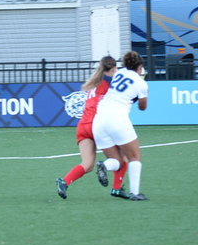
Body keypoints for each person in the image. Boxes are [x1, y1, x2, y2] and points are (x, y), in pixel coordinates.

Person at [56, 55, 131, 199]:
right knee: (122, 159)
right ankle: (116, 188)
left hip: (83, 125)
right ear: (113, 69)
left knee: (87, 164)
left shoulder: (95, 82)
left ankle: (64, 182)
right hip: (98, 124)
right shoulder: (111, 82)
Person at [92, 51, 149, 201]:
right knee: (134, 157)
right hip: (117, 118)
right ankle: (135, 193)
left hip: (99, 119)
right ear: (140, 66)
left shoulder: (118, 73)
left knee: (118, 161)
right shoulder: (141, 83)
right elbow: (143, 107)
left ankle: (104, 165)